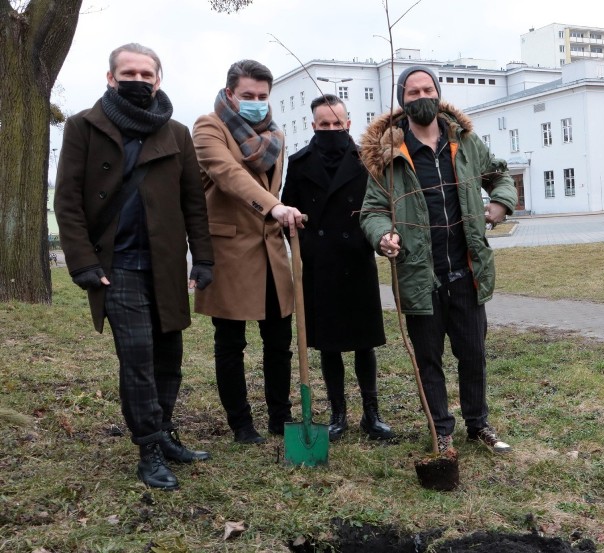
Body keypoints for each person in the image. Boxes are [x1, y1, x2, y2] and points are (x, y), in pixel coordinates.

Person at [54, 43, 214, 490]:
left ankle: (163, 433)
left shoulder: (177, 133)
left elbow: (193, 205)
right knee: (138, 360)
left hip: (163, 266)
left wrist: (202, 258)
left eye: (147, 74)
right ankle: (149, 449)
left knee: (169, 358)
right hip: (115, 266)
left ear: (158, 79)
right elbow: (66, 201)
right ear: (110, 77)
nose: (138, 80)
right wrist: (83, 263)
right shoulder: (83, 126)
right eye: (129, 73)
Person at [359, 66, 518, 455]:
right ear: (402, 100)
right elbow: (372, 210)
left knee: (473, 354)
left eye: (427, 88)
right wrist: (384, 236)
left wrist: (499, 204)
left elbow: (500, 177)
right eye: (412, 92)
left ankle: (477, 423)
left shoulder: (464, 143)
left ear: (438, 92)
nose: (421, 96)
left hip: (466, 271)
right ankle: (441, 430)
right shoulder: (389, 154)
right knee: (427, 360)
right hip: (419, 276)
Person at [192, 60, 303, 445]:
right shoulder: (209, 127)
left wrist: (281, 214)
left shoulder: (276, 135)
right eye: (248, 96)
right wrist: (273, 206)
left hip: (272, 253)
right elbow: (229, 175)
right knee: (231, 342)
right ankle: (241, 424)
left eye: (262, 96)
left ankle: (280, 416)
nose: (256, 102)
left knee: (279, 341)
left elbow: (275, 183)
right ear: (229, 94)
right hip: (229, 252)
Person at [283, 94, 392, 442]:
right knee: (328, 345)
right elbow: (288, 208)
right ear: (313, 125)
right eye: (324, 124)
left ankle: (371, 415)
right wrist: (299, 232)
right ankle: (337, 413)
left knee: (364, 343)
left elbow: (382, 204)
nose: (331, 129)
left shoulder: (366, 161)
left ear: (348, 123)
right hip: (320, 265)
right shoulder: (299, 163)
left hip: (356, 259)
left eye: (336, 123)